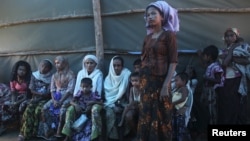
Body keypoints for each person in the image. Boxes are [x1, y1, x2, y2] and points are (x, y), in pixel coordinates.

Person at [137, 1, 179, 141]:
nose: (150, 16)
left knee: (162, 117)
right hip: (146, 84)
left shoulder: (169, 36)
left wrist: (166, 86)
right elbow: (143, 60)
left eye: (154, 13)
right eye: (148, 14)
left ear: (163, 16)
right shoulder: (147, 38)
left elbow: (173, 62)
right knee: (146, 116)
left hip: (161, 83)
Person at [37, 56, 75, 140]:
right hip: (56, 97)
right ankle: (48, 131)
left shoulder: (71, 74)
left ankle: (59, 133)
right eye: (56, 63)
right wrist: (54, 100)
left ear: (64, 63)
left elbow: (70, 90)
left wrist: (61, 101)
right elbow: (52, 89)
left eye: (58, 63)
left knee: (62, 110)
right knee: (44, 108)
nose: (56, 65)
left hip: (67, 97)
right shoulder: (55, 75)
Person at [218, 28, 250, 124]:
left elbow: (247, 60)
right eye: (227, 36)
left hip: (239, 80)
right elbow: (224, 63)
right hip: (227, 82)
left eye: (232, 35)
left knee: (239, 105)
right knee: (228, 106)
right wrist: (232, 49)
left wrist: (231, 57)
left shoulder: (244, 48)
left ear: (236, 37)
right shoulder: (222, 51)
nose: (229, 38)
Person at [17, 59, 53, 141]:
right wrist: (39, 95)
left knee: (38, 110)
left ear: (50, 69)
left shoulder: (52, 77)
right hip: (35, 98)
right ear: (39, 65)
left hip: (45, 99)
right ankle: (24, 133)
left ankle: (34, 133)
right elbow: (31, 88)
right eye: (42, 65)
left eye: (46, 67)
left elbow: (48, 93)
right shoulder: (34, 75)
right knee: (29, 109)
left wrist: (40, 96)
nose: (43, 68)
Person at [72, 54, 104, 140]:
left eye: (91, 63)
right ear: (84, 64)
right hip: (81, 99)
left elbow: (99, 92)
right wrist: (76, 103)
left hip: (93, 99)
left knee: (94, 110)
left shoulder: (99, 74)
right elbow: (76, 90)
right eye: (87, 63)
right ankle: (68, 135)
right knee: (70, 110)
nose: (89, 65)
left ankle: (96, 135)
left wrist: (91, 103)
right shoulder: (80, 73)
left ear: (95, 64)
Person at [104, 56, 131, 140]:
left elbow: (129, 93)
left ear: (122, 66)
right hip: (110, 103)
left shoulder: (127, 75)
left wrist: (120, 103)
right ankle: (113, 137)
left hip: (124, 101)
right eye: (114, 65)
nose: (116, 68)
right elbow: (108, 97)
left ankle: (126, 136)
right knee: (109, 114)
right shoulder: (107, 79)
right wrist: (113, 106)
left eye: (118, 65)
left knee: (125, 114)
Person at [1, 60, 32, 132]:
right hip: (17, 96)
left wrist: (17, 103)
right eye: (20, 69)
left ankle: (22, 127)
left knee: (21, 106)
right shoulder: (13, 79)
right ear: (16, 69)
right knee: (5, 105)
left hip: (26, 97)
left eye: (24, 70)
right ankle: (4, 126)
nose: (22, 71)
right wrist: (13, 101)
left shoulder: (28, 80)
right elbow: (13, 92)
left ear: (27, 71)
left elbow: (28, 95)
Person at [200, 45, 224, 125]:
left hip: (212, 92)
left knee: (212, 110)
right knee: (206, 110)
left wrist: (207, 78)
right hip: (207, 91)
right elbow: (204, 65)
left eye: (204, 56)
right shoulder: (209, 65)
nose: (203, 57)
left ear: (209, 57)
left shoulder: (216, 66)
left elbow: (218, 80)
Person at [118, 72, 141, 136]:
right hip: (134, 107)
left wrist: (135, 104)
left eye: (136, 81)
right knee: (128, 114)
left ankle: (141, 134)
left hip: (141, 108)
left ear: (141, 80)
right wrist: (131, 105)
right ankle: (135, 132)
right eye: (132, 81)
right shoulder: (132, 89)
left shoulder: (143, 89)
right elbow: (131, 100)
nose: (134, 83)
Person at [172, 72, 192, 141]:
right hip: (175, 112)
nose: (175, 82)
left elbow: (183, 98)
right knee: (176, 129)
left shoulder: (184, 89)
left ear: (183, 81)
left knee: (180, 130)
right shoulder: (177, 89)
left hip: (179, 113)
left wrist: (173, 103)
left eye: (177, 80)